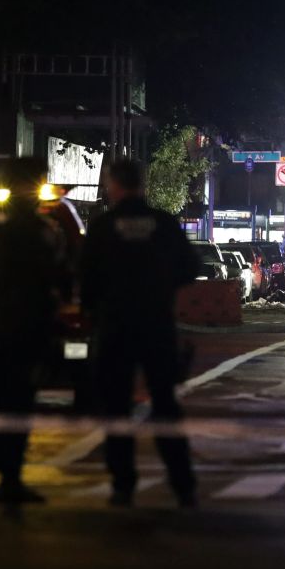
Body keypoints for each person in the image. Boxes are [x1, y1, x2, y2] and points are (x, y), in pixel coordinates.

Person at [81, 159, 198, 508]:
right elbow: (191, 266)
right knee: (165, 405)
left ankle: (123, 484)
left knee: (117, 407)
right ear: (142, 185)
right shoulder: (162, 225)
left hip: (115, 326)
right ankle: (183, 485)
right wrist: (162, 289)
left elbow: (86, 279)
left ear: (113, 185)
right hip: (156, 324)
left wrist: (96, 308)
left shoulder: (103, 227)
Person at [0, 158, 65, 504]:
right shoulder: (38, 229)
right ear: (36, 184)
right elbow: (55, 283)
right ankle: (10, 477)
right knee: (18, 405)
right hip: (25, 330)